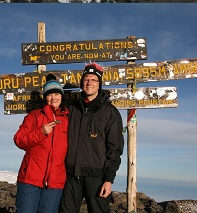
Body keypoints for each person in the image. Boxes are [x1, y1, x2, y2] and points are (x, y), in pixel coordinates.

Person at [59, 62, 124, 213]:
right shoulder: (72, 109)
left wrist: (108, 179)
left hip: (97, 178)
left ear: (99, 84)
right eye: (86, 79)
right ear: (82, 82)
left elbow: (115, 148)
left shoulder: (110, 112)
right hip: (71, 176)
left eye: (93, 80)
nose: (89, 83)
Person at [14, 73, 70, 213]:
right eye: (50, 94)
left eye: (56, 94)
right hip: (30, 179)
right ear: (45, 97)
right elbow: (19, 139)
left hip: (55, 182)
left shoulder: (68, 119)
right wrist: (41, 132)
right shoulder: (34, 116)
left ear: (62, 96)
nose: (53, 98)